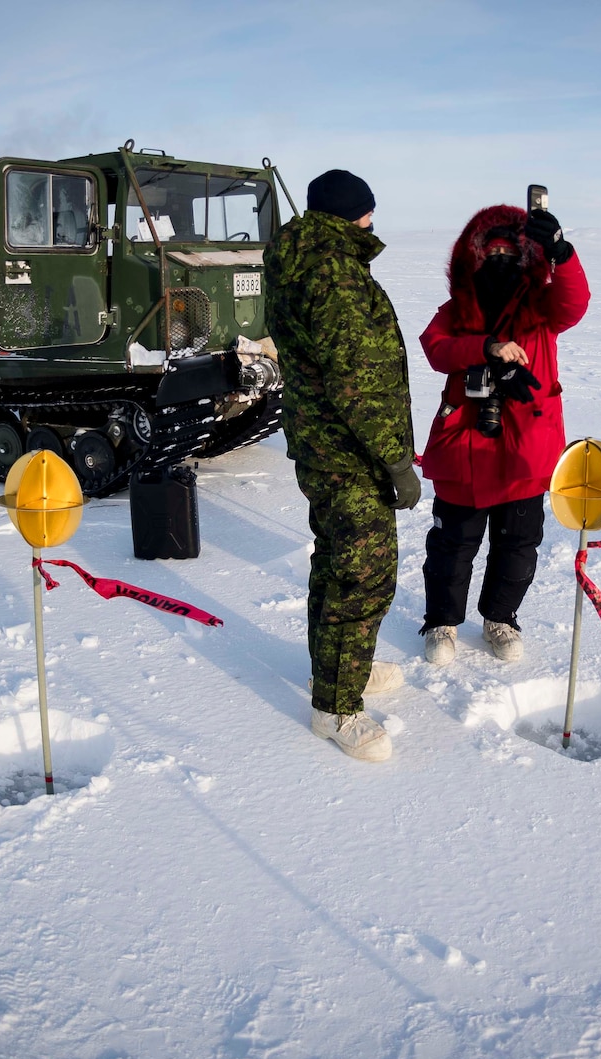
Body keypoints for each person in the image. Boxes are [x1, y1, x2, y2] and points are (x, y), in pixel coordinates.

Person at [265, 169, 421, 762]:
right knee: (363, 575)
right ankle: (336, 711)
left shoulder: (307, 259)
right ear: (351, 215)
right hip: (350, 452)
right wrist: (396, 462)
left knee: (335, 563)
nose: (373, 222)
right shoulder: (333, 273)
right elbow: (354, 379)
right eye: (368, 213)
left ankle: (333, 672)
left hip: (324, 445)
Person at [416, 203, 590, 665]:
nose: (499, 261)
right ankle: (441, 622)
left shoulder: (542, 310)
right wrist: (486, 348)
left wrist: (562, 252)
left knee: (517, 545)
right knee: (452, 547)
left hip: (526, 452)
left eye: (509, 252)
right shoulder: (456, 311)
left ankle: (500, 618)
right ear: (470, 260)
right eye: (489, 252)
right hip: (465, 448)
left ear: (528, 259)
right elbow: (434, 347)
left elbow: (575, 302)